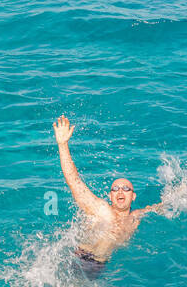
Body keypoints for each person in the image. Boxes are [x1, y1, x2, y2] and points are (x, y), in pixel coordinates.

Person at [53, 115, 165, 275]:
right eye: (115, 189)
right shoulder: (101, 209)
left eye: (126, 189)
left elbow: (162, 206)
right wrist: (63, 144)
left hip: (100, 265)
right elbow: (74, 181)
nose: (120, 191)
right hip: (82, 258)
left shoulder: (135, 217)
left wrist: (183, 191)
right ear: (110, 196)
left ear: (133, 196)